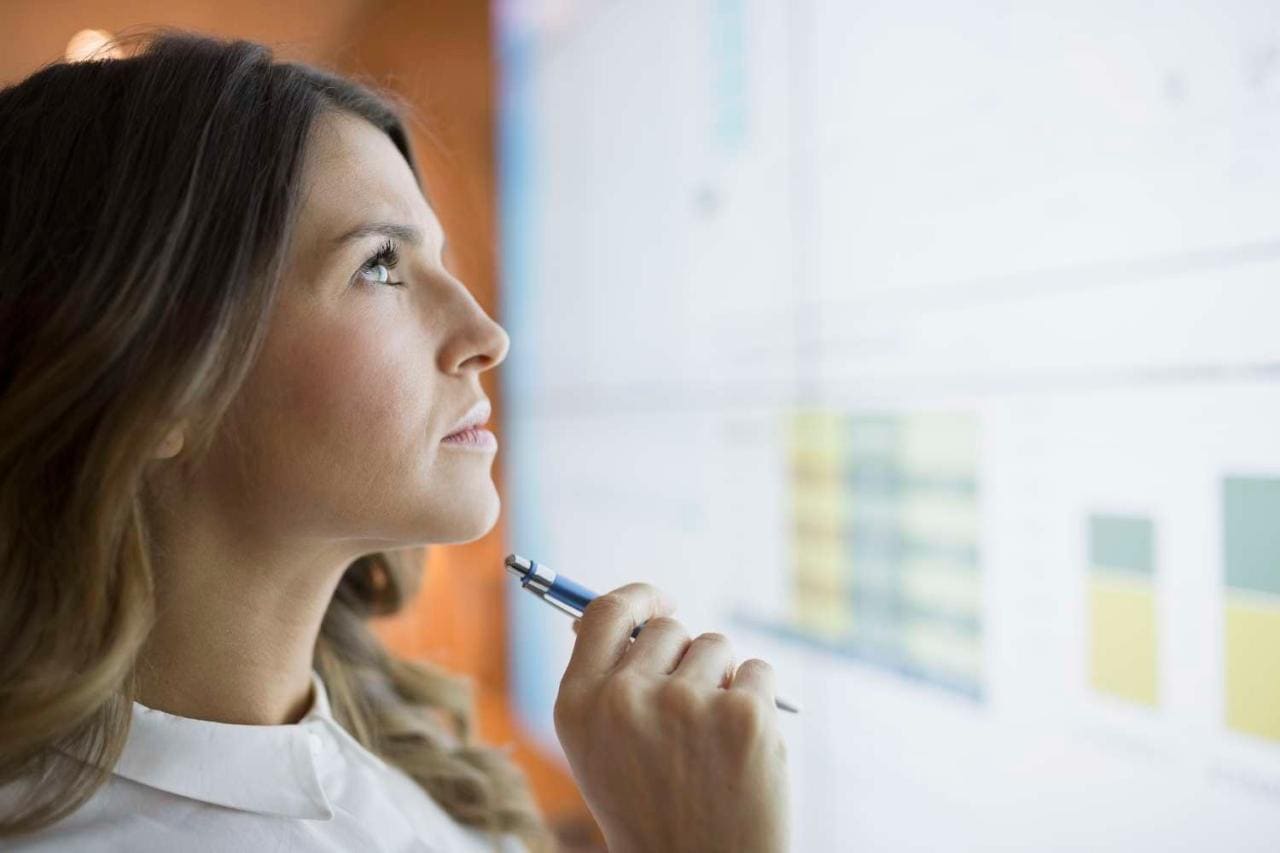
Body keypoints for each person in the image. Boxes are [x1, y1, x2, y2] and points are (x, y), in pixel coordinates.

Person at [0, 29, 790, 853]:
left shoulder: (381, 758)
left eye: (439, 259)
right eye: (380, 264)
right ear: (157, 381)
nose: (487, 334)